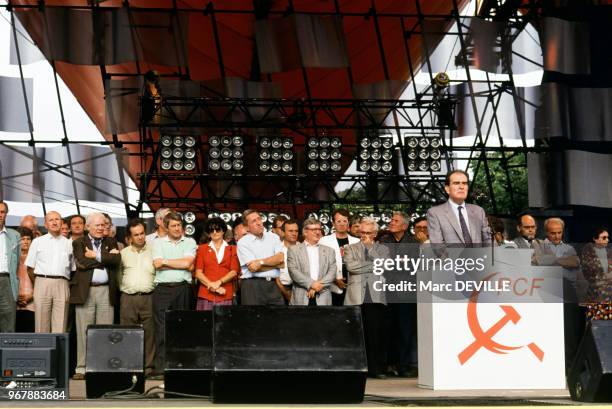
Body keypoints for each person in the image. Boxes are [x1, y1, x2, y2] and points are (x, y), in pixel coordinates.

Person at [70, 212, 121, 379]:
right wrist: (106, 258)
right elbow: (82, 263)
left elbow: (116, 261)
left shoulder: (111, 241)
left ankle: (102, 367)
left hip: (106, 291)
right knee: (84, 331)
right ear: (88, 227)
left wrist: (96, 255)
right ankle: (82, 368)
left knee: (104, 331)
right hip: (86, 291)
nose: (101, 228)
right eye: (97, 225)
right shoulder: (79, 242)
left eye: (103, 225)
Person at [151, 211, 197, 376]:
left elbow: (187, 264)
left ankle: (180, 366)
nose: (178, 229)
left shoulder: (190, 241)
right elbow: (157, 264)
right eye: (174, 226)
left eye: (179, 225)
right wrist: (180, 264)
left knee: (182, 328)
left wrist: (165, 261)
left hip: (182, 288)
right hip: (162, 289)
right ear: (166, 227)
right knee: (162, 328)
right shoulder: (158, 243)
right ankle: (161, 369)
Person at [344, 217, 390, 379]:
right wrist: (371, 264)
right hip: (355, 296)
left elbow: (383, 265)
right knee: (355, 335)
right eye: (362, 232)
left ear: (375, 234)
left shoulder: (383, 249)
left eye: (368, 233)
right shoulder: (349, 248)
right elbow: (351, 267)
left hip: (375, 296)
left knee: (376, 334)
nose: (364, 236)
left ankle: (376, 369)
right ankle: (357, 368)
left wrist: (369, 251)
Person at [378, 212, 419, 378]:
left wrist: (395, 263)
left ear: (404, 225)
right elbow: (381, 264)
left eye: (395, 221)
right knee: (387, 329)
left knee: (405, 329)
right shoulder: (383, 241)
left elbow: (414, 266)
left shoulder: (414, 242)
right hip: (386, 292)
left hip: (405, 292)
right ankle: (388, 364)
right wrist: (399, 262)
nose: (391, 223)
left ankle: (404, 365)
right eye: (391, 220)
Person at [542, 217, 582, 372]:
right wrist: (562, 261)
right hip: (547, 290)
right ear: (546, 232)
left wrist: (553, 260)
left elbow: (575, 262)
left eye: (559, 233)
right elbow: (539, 261)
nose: (557, 236)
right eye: (553, 233)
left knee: (570, 331)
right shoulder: (540, 246)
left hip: (568, 291)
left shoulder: (569, 248)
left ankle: (570, 368)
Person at [119, 219, 156, 377]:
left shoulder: (154, 250)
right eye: (136, 235)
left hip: (149, 296)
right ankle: (130, 367)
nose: (140, 237)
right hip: (129, 298)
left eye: (142, 233)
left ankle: (148, 369)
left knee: (150, 334)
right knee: (128, 333)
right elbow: (118, 276)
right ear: (130, 237)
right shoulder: (123, 254)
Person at [25, 211, 72, 334]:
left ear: (61, 223)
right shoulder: (37, 241)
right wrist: (38, 283)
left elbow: (73, 269)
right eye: (51, 220)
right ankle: (41, 354)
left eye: (57, 219)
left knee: (60, 325)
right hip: (41, 282)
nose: (55, 222)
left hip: (62, 283)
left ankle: (59, 354)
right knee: (41, 325)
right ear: (45, 224)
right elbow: (29, 267)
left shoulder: (69, 243)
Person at [427, 170, 492, 245]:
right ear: (447, 189)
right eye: (456, 183)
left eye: (464, 183)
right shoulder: (435, 213)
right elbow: (438, 247)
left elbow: (488, 240)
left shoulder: (478, 211)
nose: (461, 187)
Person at [236, 209, 284, 306]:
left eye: (259, 219)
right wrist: (274, 264)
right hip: (252, 286)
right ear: (246, 227)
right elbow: (253, 268)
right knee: (254, 320)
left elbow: (281, 260)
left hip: (273, 284)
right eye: (254, 221)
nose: (259, 223)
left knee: (279, 319)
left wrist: (260, 262)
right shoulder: (243, 242)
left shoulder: (274, 237)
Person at [287, 219, 336, 306]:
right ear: (305, 232)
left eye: (319, 229)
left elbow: (332, 272)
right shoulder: (293, 250)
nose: (318, 232)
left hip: (323, 297)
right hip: (301, 297)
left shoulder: (330, 251)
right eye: (314, 230)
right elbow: (293, 272)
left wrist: (317, 287)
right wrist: (312, 284)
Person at [194, 218, 239, 310]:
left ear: (223, 231)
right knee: (205, 323)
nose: (214, 232)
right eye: (211, 230)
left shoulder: (232, 249)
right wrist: (213, 287)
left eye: (217, 229)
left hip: (225, 293)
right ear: (208, 233)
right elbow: (198, 273)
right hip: (206, 295)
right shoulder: (202, 249)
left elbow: (234, 272)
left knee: (225, 323)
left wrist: (218, 282)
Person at [319, 209, 360, 306]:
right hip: (332, 286)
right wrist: (334, 279)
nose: (342, 224)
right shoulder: (324, 241)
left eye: (344, 221)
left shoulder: (357, 241)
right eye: (338, 221)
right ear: (333, 223)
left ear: (348, 223)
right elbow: (321, 265)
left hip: (353, 285)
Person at [580, 227, 611, 320]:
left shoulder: (608, 251)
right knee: (595, 322)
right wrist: (607, 276)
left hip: (608, 294)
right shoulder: (588, 250)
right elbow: (590, 270)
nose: (607, 240)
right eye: (604, 237)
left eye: (607, 237)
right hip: (595, 293)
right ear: (595, 239)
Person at [0, 201, 20, 332]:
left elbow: (17, 261)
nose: (0, 215)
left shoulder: (14, 235)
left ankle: (7, 353)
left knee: (8, 322)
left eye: (2, 212)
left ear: (6, 214)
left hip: (7, 280)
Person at [16, 227, 34, 332]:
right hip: (15, 302)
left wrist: (31, 296)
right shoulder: (11, 259)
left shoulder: (36, 258)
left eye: (28, 239)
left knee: (31, 333)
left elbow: (40, 281)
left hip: (33, 303)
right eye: (22, 239)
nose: (25, 242)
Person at [276, 219, 299, 304]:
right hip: (281, 288)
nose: (294, 233)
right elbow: (275, 275)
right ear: (283, 232)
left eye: (296, 231)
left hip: (300, 288)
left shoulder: (304, 248)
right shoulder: (277, 249)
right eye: (290, 231)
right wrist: (285, 293)